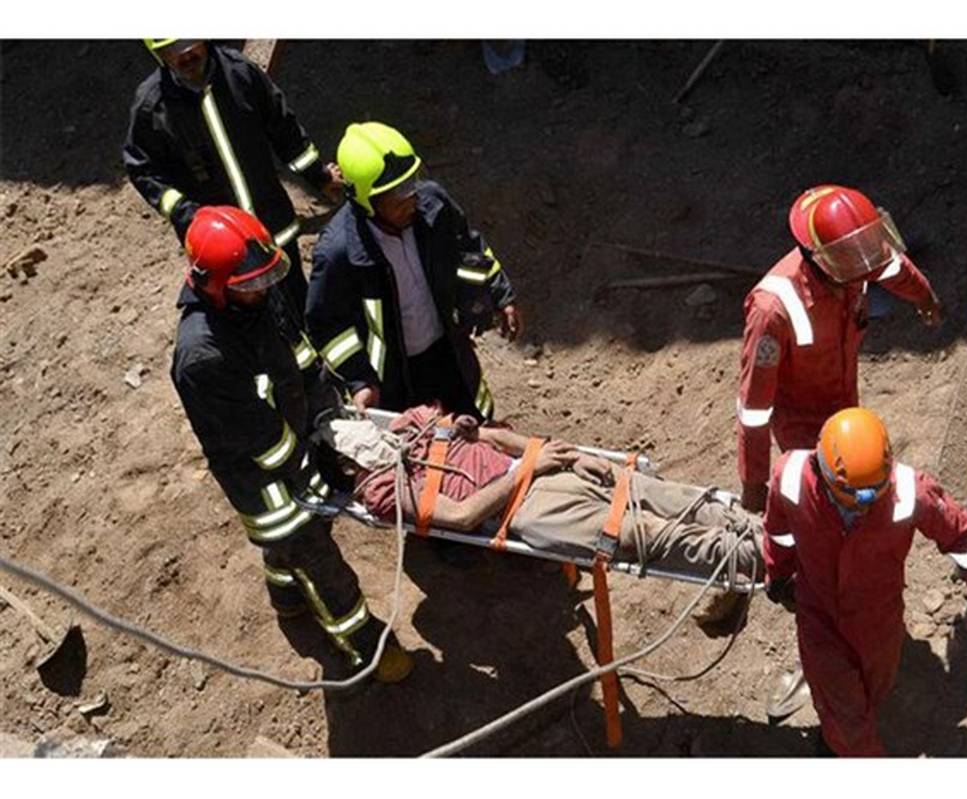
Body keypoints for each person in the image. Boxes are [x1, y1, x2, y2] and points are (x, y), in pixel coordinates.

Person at [170, 205, 411, 682]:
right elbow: (258, 439)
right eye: (250, 284)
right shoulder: (203, 357)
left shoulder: (256, 295)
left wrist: (328, 413)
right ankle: (365, 646)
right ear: (214, 286)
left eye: (265, 278)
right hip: (264, 485)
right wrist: (311, 468)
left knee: (292, 551)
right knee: (317, 558)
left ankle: (286, 596)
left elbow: (301, 358)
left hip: (296, 443)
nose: (263, 287)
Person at [762, 407, 967, 756]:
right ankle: (845, 745)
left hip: (879, 622)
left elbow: (966, 540)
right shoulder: (790, 478)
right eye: (853, 502)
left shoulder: (911, 492)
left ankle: (839, 733)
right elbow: (778, 531)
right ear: (821, 473)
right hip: (820, 617)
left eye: (874, 496)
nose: (864, 509)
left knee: (873, 690)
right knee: (847, 718)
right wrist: (777, 572)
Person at [321, 404, 763, 588]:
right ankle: (761, 557)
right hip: (525, 510)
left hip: (545, 467)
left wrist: (557, 453)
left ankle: (764, 530)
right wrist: (530, 468)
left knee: (657, 494)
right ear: (347, 466)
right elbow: (461, 517)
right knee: (639, 533)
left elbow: (493, 437)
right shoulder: (382, 489)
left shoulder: (411, 424)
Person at [737, 184, 943, 515]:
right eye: (856, 263)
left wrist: (922, 295)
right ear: (819, 258)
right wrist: (753, 483)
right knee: (827, 506)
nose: (866, 270)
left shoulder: (855, 256)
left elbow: (891, 266)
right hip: (802, 424)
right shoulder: (772, 311)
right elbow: (754, 407)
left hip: (844, 397)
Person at [305, 122, 521, 422]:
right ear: (365, 201)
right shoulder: (338, 253)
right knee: (418, 440)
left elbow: (469, 248)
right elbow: (325, 325)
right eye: (397, 195)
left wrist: (501, 295)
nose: (411, 199)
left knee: (475, 422)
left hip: (448, 350)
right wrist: (360, 380)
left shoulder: (434, 205)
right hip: (394, 377)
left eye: (411, 184)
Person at [123, 39, 342, 315]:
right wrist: (184, 212)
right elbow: (143, 169)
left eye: (190, 41)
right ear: (158, 54)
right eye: (173, 49)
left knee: (298, 304)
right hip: (223, 253)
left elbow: (284, 130)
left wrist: (319, 177)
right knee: (250, 321)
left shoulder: (240, 73)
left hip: (274, 227)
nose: (186, 54)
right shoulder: (152, 106)